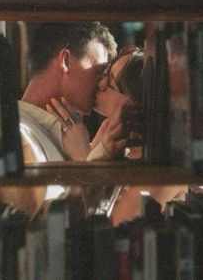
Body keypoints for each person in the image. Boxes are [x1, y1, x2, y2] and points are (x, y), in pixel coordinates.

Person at [0, 22, 134, 218]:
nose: (102, 84)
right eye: (98, 72)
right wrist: (84, 161)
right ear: (66, 60)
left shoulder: (72, 136)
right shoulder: (17, 134)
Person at [49, 44, 188, 225]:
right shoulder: (117, 140)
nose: (100, 83)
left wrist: (83, 157)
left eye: (110, 80)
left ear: (136, 102)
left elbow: (114, 227)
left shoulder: (165, 169)